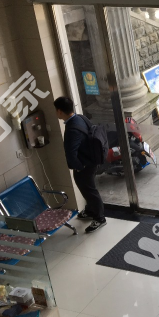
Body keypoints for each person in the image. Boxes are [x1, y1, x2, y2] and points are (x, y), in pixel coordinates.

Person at [53, 96, 106, 233]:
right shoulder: (80, 118)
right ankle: (90, 210)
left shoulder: (72, 129)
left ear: (59, 111)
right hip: (91, 158)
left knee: (89, 190)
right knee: (87, 189)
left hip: (85, 164)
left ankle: (99, 218)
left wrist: (79, 167)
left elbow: (71, 154)